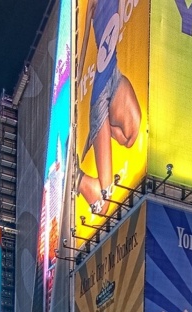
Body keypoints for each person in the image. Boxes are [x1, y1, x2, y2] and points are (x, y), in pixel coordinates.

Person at [75, 0, 143, 216]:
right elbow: (84, 46)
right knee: (104, 202)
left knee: (130, 136)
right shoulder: (92, 3)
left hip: (113, 72)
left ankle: (100, 134)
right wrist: (76, 84)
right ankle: (78, 179)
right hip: (99, 93)